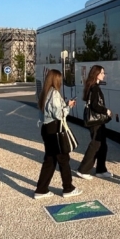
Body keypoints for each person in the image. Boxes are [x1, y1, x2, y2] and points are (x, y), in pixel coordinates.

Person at [34, 69, 82, 199]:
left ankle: (41, 189)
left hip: (46, 128)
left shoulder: (44, 92)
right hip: (55, 129)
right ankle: (68, 188)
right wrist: (69, 106)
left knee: (50, 160)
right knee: (63, 158)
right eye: (60, 79)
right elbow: (59, 114)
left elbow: (46, 112)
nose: (61, 82)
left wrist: (65, 104)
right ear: (56, 80)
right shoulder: (54, 93)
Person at [77, 65, 113, 179]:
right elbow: (94, 105)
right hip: (96, 121)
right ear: (96, 74)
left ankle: (101, 169)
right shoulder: (95, 88)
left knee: (102, 145)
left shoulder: (92, 86)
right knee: (95, 144)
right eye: (102, 73)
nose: (103, 75)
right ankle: (83, 170)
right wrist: (106, 111)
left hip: (97, 121)